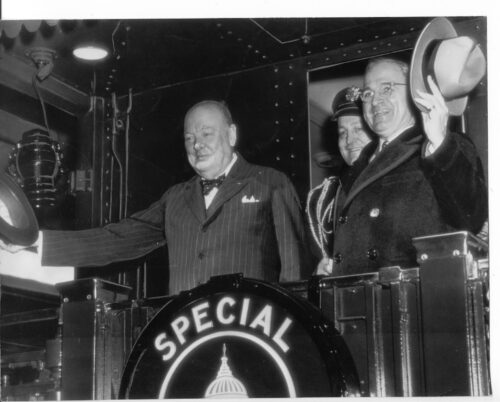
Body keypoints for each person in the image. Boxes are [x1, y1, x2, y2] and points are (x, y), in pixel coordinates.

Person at [1, 100, 310, 294]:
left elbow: (296, 274)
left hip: (253, 337)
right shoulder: (176, 197)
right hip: (184, 338)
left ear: (231, 134)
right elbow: (119, 238)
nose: (197, 144)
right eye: (189, 137)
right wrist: (33, 241)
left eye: (206, 133)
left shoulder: (271, 184)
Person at [323, 57, 487, 275]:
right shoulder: (359, 163)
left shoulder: (441, 146)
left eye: (387, 88)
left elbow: (471, 217)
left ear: (412, 92)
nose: (375, 100)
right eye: (368, 93)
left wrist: (440, 143)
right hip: (357, 299)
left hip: (416, 298)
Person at [306, 86, 373, 274]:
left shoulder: (397, 182)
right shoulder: (321, 199)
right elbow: (317, 259)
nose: (349, 140)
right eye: (343, 133)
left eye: (358, 129)